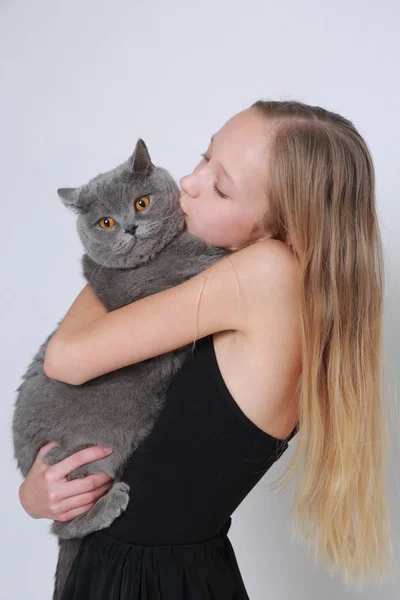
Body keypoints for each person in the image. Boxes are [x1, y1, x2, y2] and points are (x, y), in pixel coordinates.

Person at [19, 100, 393, 598]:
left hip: (140, 581)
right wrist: (42, 496)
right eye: (204, 156)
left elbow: (65, 358)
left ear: (279, 227)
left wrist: (120, 255)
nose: (189, 183)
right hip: (169, 569)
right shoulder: (278, 285)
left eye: (221, 186)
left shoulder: (266, 274)